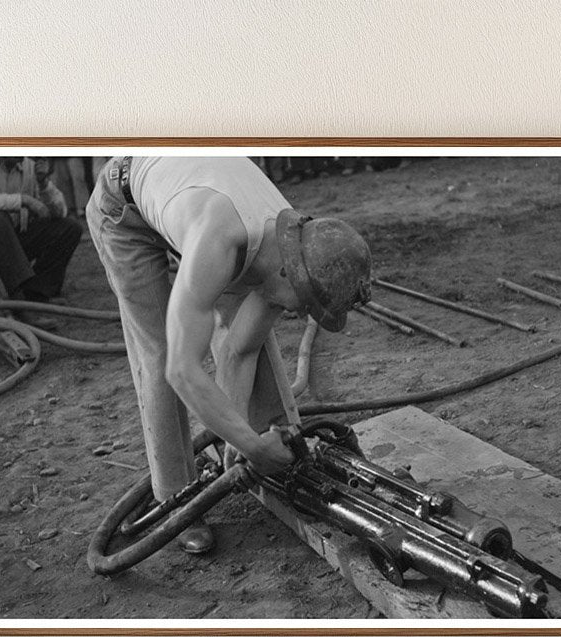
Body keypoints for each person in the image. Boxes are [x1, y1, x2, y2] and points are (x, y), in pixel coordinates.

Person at [86, 155, 371, 555]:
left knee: (254, 336)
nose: (302, 314)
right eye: (305, 305)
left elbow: (241, 348)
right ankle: (177, 501)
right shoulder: (218, 240)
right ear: (289, 274)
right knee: (164, 351)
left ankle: (287, 466)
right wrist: (252, 446)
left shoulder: (294, 246)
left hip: (191, 196)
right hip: (123, 206)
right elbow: (182, 370)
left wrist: (237, 442)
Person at [0, 156, 83, 322]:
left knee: (69, 228)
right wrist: (23, 201)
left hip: (9, 243)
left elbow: (60, 211)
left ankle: (36, 295)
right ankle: (19, 304)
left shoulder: (27, 165)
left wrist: (43, 184)